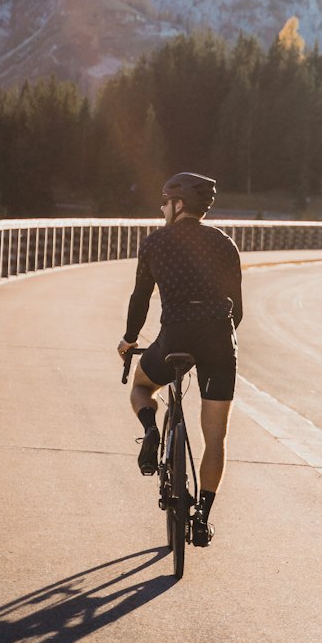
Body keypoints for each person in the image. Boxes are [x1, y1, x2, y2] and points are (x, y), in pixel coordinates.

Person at [117, 172, 242, 548]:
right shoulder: (224, 244)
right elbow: (238, 310)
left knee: (142, 386)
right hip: (219, 341)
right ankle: (202, 518)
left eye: (165, 201)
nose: (161, 207)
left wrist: (128, 340)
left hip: (176, 336)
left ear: (179, 205)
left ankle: (151, 429)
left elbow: (140, 298)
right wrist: (219, 340)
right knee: (215, 438)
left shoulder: (156, 242)